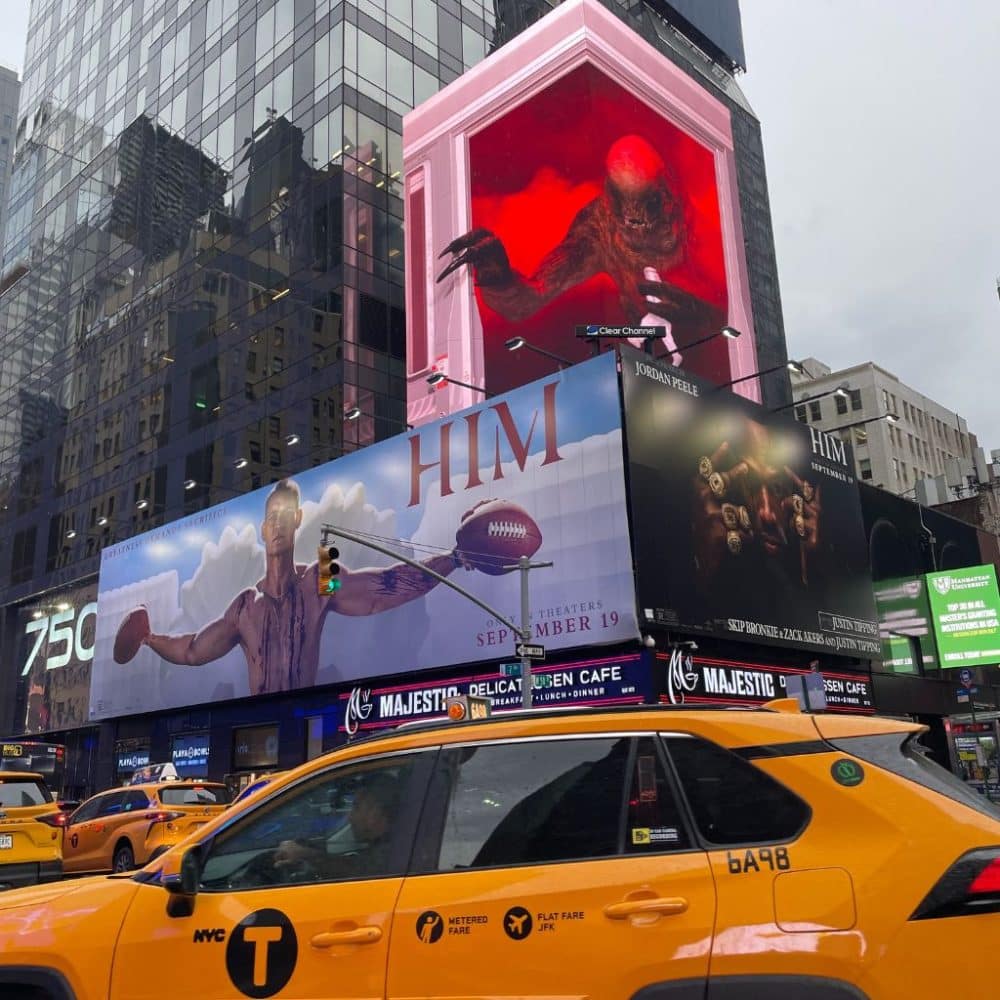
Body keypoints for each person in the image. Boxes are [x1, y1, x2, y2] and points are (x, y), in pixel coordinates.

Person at [116, 478, 474, 694]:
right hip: (258, 721)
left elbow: (385, 588)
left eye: (286, 516)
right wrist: (149, 638)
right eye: (271, 517)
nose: (278, 524)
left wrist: (454, 558)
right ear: (262, 528)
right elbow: (192, 650)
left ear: (298, 520)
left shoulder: (320, 572)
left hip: (308, 716)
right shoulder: (244, 605)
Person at [272, 772, 399, 880]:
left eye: (356, 807)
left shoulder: (394, 853)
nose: (350, 817)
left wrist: (306, 855)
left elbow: (356, 871)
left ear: (376, 812)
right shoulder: (396, 845)